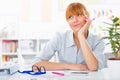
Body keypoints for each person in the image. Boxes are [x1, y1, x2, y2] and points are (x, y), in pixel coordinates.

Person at [32, 2, 105, 71]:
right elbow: (36, 63)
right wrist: (70, 66)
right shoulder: (60, 37)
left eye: (79, 15)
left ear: (87, 17)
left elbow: (93, 67)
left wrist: (81, 35)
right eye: (70, 17)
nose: (75, 20)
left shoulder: (98, 41)